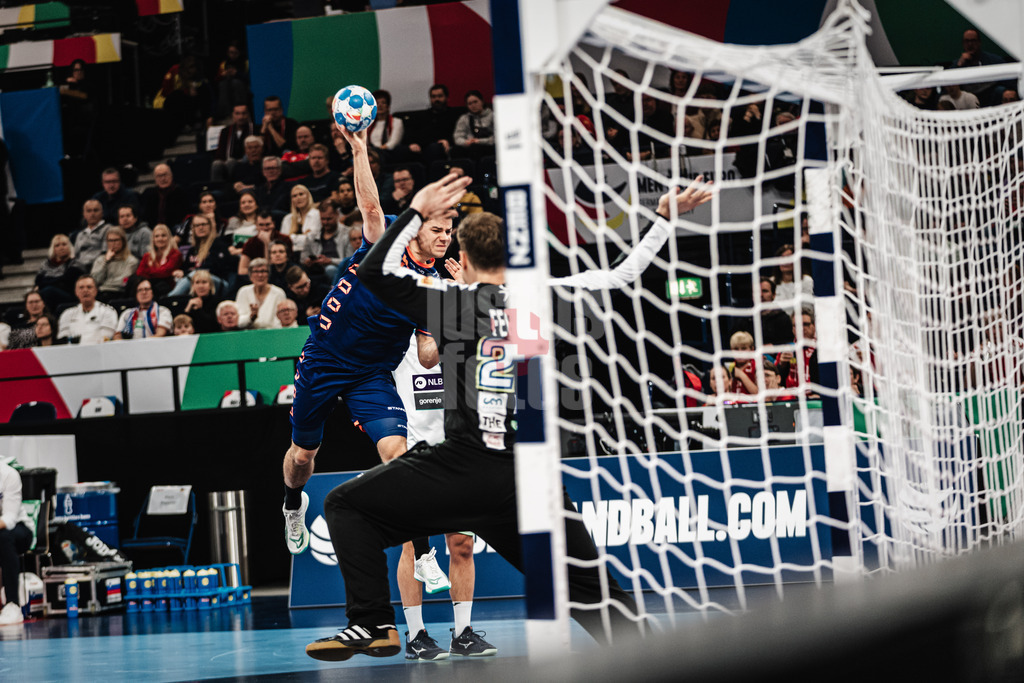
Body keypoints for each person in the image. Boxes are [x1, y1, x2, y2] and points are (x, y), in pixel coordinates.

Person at [303, 189, 639, 663]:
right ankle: (647, 655)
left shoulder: (450, 301)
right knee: (594, 595)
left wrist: (417, 209)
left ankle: (374, 623)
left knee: (344, 506)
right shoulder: (545, 297)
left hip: (463, 468)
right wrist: (663, 219)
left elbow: (374, 271)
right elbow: (626, 272)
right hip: (530, 476)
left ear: (462, 255)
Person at [280, 126, 456, 594]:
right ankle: (292, 503)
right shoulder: (386, 244)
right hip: (323, 359)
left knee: (398, 456)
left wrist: (454, 320)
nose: (445, 237)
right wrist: (359, 149)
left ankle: (423, 555)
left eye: (449, 231)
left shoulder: (436, 290)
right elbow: (372, 207)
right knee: (303, 455)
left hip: (371, 375)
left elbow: (425, 355)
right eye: (438, 229)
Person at [0, 458, 33, 625]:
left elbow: (9, 519)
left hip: (19, 531)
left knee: (4, 537)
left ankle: (13, 605)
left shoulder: (8, 475)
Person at [169, 214, 234, 296]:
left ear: (209, 226)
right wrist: (180, 272)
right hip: (197, 282)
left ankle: (171, 297)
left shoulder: (219, 245)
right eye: (197, 225)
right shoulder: (193, 249)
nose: (200, 227)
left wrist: (188, 273)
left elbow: (213, 268)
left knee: (196, 274)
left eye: (203, 224)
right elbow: (186, 268)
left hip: (219, 283)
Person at [406, 84, 462, 164]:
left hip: (449, 147)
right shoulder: (422, 116)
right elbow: (418, 136)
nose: (437, 99)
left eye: (440, 96)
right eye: (433, 97)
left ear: (447, 98)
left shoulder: (454, 115)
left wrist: (447, 141)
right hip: (427, 148)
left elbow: (459, 134)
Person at [57, 275, 118, 344]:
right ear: (76, 292)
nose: (85, 290)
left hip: (99, 352)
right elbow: (63, 339)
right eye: (81, 288)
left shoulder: (108, 311)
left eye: (89, 287)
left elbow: (106, 337)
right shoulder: (67, 314)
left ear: (95, 291)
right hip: (73, 352)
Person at [301, 199, 346, 284]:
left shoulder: (347, 234)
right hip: (316, 271)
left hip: (338, 271)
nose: (325, 222)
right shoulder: (312, 236)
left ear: (337, 214)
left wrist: (330, 261)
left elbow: (350, 260)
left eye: (329, 219)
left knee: (330, 269)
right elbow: (303, 257)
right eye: (323, 219)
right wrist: (307, 261)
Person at [235, 258, 287, 329]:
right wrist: (251, 318)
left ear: (268, 274)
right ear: (250, 276)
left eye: (263, 271)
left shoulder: (279, 293)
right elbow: (239, 322)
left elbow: (280, 321)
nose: (260, 275)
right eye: (256, 271)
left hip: (272, 334)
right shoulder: (243, 292)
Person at [35, 234, 83, 309]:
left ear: (69, 247)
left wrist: (46, 281)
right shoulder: (46, 264)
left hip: (69, 296)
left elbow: (66, 281)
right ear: (53, 249)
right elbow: (38, 281)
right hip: (48, 293)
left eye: (64, 244)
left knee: (48, 291)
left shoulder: (75, 263)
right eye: (57, 245)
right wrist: (56, 281)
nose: (61, 248)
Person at [135, 224, 183, 299]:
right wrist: (154, 273)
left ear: (169, 238)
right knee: (134, 281)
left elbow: (164, 272)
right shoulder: (147, 256)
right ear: (153, 239)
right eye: (157, 236)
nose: (160, 239)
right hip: (150, 284)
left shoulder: (175, 254)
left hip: (167, 286)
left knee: (161, 285)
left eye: (163, 236)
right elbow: (139, 273)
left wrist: (148, 271)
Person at [211, 103, 255, 184]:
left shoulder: (254, 129)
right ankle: (216, 188)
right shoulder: (226, 131)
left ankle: (231, 188)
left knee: (231, 162)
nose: (241, 117)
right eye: (237, 113)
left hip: (246, 162)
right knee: (216, 164)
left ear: (248, 115)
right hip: (229, 161)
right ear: (233, 115)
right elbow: (220, 153)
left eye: (243, 113)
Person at [90, 227, 139, 299]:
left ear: (123, 241)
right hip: (100, 293)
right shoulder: (100, 260)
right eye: (110, 240)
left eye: (116, 240)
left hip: (119, 294)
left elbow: (122, 282)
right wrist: (106, 261)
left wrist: (105, 284)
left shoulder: (132, 261)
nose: (113, 243)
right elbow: (94, 281)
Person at [239, 211, 292, 277]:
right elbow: (242, 270)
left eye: (267, 224)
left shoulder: (285, 239)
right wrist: (258, 272)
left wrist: (267, 243)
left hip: (282, 275)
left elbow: (273, 268)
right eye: (261, 225)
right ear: (256, 225)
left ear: (273, 224)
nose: (264, 228)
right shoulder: (250, 242)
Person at [141, 164, 190, 232]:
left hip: (175, 229)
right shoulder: (149, 194)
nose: (163, 178)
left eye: (165, 175)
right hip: (154, 230)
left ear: (171, 175)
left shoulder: (181, 192)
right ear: (155, 179)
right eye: (159, 176)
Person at [452, 90, 494, 160]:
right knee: (456, 150)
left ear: (482, 101)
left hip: (488, 146)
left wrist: (480, 141)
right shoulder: (464, 119)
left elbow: (498, 137)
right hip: (469, 147)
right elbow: (457, 137)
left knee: (476, 148)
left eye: (475, 102)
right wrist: (467, 142)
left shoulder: (493, 116)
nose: (473, 105)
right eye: (470, 103)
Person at [213, 41, 249, 121]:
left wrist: (237, 74)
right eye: (230, 52)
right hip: (227, 89)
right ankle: (226, 114)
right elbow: (216, 80)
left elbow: (249, 79)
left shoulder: (246, 63)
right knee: (223, 84)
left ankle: (240, 111)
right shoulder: (224, 64)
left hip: (242, 89)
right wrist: (223, 75)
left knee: (236, 83)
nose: (232, 55)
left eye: (235, 53)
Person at [280, 184, 321, 253]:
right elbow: (284, 241)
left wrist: (292, 237)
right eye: (294, 196)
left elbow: (312, 239)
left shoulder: (317, 214)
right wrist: (304, 236)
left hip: (312, 253)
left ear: (308, 196)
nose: (298, 198)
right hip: (291, 254)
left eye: (301, 194)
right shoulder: (287, 219)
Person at [367, 90, 404, 162]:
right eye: (377, 103)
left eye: (383, 103)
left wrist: (377, 150)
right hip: (371, 154)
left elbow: (393, 143)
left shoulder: (396, 122)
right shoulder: (368, 124)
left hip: (388, 153)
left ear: (388, 106)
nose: (380, 105)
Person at [73, 199, 111, 270]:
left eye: (96, 210)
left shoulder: (108, 229)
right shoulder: (80, 234)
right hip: (78, 267)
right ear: (84, 214)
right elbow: (76, 256)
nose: (92, 214)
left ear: (102, 213)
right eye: (89, 211)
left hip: (96, 266)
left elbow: (104, 253)